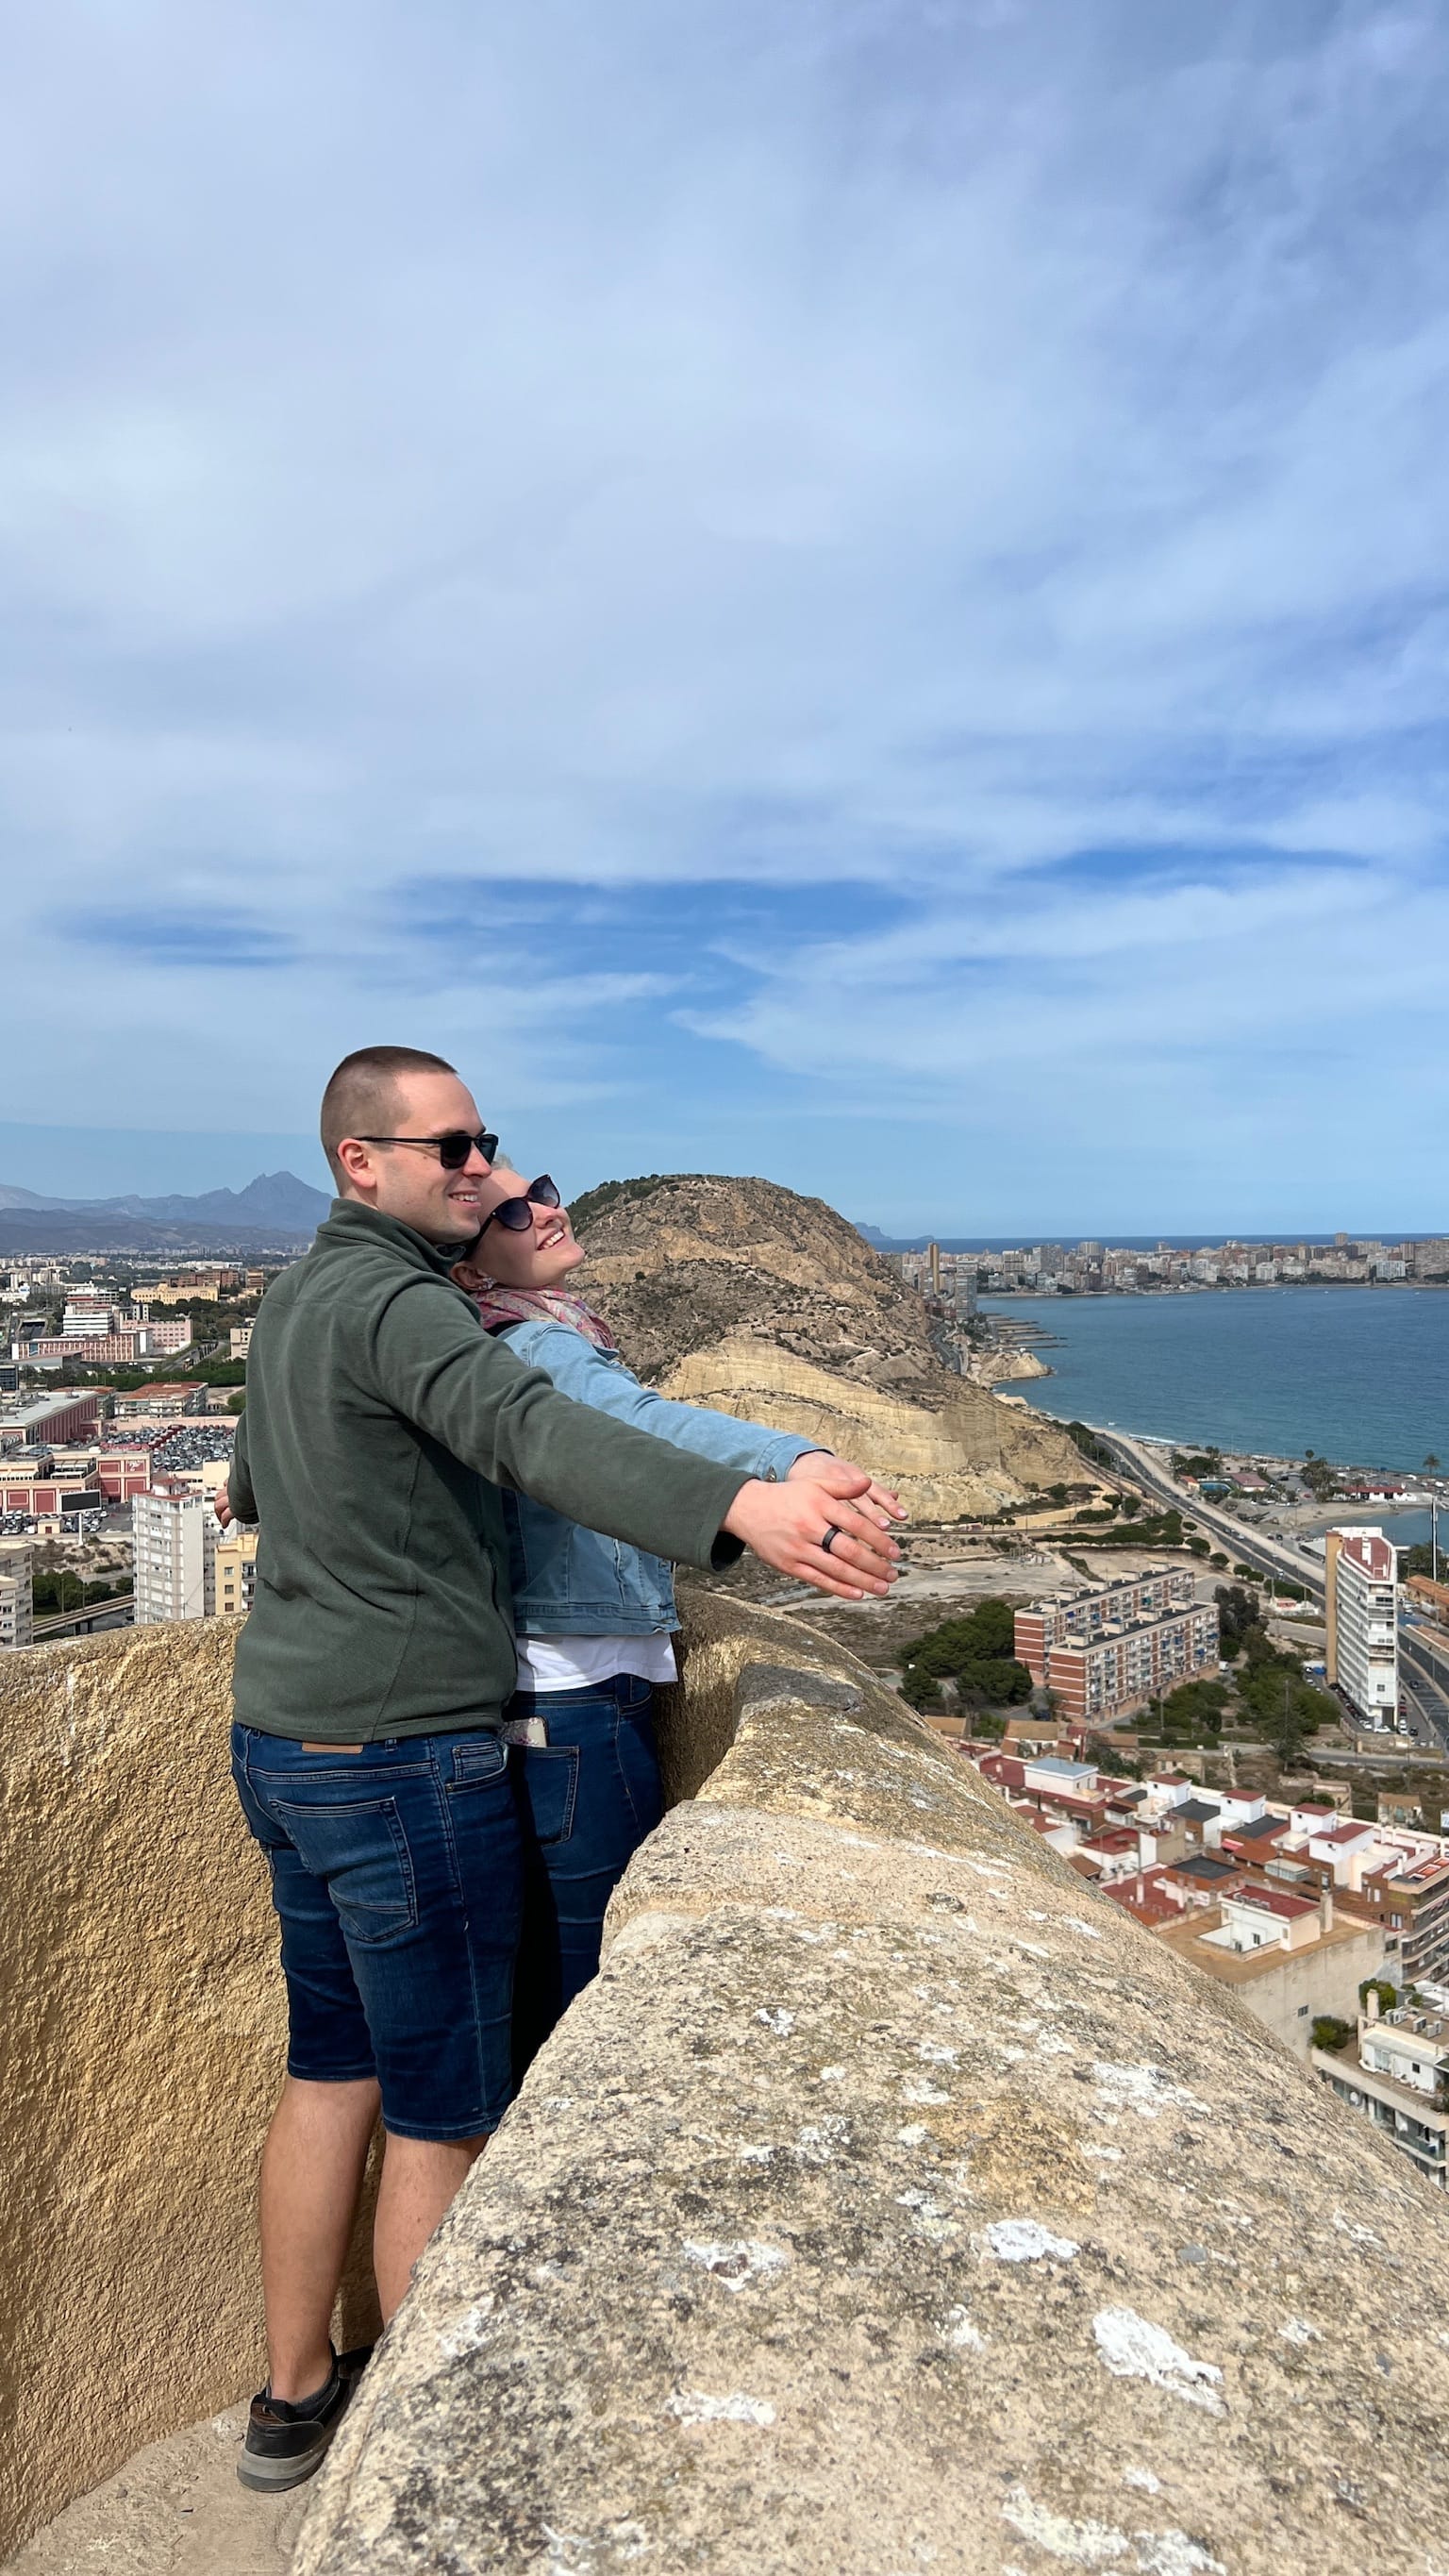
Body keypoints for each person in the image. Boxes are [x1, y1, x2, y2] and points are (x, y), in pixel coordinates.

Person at [223, 1045, 901, 2493]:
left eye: (486, 1145)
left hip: (283, 1741)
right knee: (447, 2115)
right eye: (453, 1147)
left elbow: (249, 1484)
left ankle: (293, 2398)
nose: (482, 1169)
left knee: (330, 2072)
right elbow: (532, 1428)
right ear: (362, 1161)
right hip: (402, 1758)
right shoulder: (400, 1302)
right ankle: (430, 2468)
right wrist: (739, 1505)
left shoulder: (294, 1298)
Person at [448, 1166, 906, 2072]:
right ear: (469, 1269)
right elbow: (642, 1423)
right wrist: (787, 1463)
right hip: (576, 1690)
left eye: (542, 1189)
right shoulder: (536, 1345)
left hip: (538, 1687)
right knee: (596, 1961)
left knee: (548, 1954)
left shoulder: (500, 1338)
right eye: (511, 1213)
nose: (546, 1211)